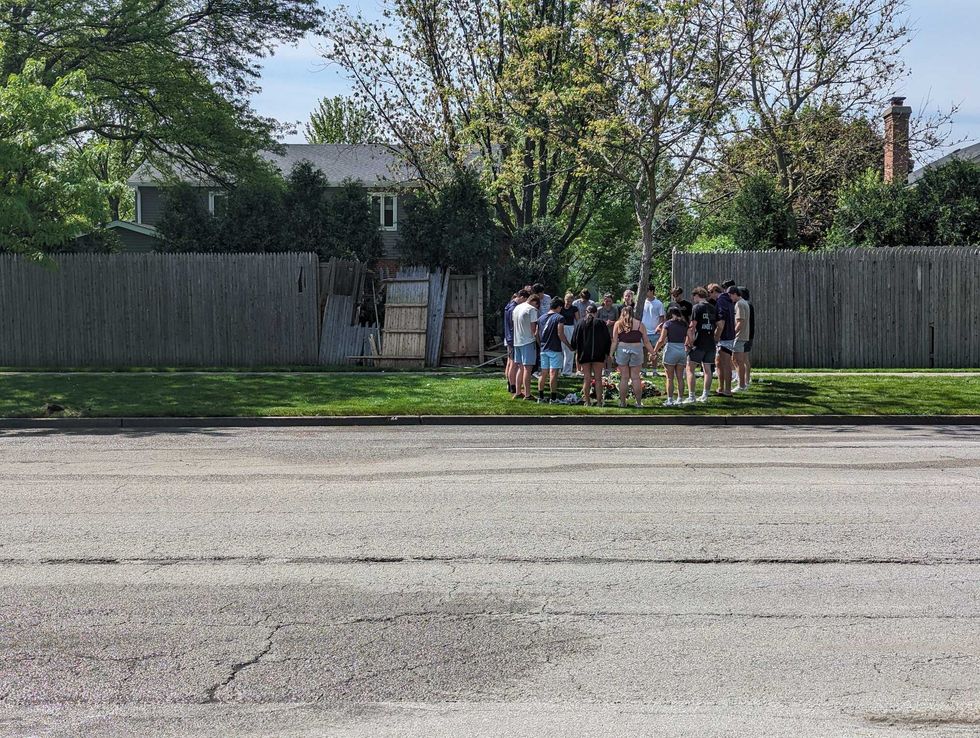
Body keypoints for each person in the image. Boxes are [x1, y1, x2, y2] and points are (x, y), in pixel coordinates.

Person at [610, 305, 655, 408]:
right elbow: (646, 342)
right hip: (637, 349)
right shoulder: (640, 324)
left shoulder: (618, 324)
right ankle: (638, 403)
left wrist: (611, 354)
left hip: (622, 349)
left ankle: (622, 403)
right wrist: (653, 353)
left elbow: (614, 341)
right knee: (635, 377)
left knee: (624, 377)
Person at [571, 304, 611, 407]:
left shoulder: (580, 323)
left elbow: (574, 340)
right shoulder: (601, 323)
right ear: (596, 313)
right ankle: (599, 402)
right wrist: (607, 353)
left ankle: (587, 401)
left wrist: (575, 348)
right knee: (598, 379)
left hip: (584, 354)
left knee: (586, 379)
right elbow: (607, 340)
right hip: (598, 354)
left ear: (586, 312)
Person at [684, 287, 717, 403]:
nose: (693, 299)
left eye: (694, 296)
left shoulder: (697, 307)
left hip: (699, 342)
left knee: (690, 368)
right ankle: (705, 395)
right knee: (708, 369)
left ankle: (691, 396)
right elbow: (717, 325)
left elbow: (692, 326)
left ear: (697, 295)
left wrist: (689, 342)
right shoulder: (713, 308)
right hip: (710, 342)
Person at [537, 297, 571, 403]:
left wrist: (540, 344)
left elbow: (536, 334)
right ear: (559, 307)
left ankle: (540, 397)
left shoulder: (541, 318)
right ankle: (553, 398)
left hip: (543, 348)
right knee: (553, 373)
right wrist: (569, 345)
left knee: (543, 373)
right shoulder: (559, 318)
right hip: (555, 348)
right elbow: (560, 333)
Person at [654, 307, 689, 406]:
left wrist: (654, 351)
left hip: (671, 349)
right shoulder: (684, 324)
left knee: (669, 378)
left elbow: (661, 340)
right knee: (680, 378)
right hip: (682, 350)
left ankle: (670, 400)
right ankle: (680, 399)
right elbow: (690, 338)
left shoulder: (668, 324)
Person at [511, 293, 539, 400]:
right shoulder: (532, 310)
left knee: (520, 367)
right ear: (535, 302)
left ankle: (518, 392)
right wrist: (538, 340)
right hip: (528, 341)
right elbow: (533, 329)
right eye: (537, 305)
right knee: (528, 368)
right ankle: (527, 394)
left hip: (517, 341)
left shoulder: (517, 308)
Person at [712, 284, 736, 397]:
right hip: (728, 335)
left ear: (713, 291)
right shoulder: (728, 300)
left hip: (724, 336)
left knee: (726, 364)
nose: (709, 295)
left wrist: (716, 337)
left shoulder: (721, 301)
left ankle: (728, 390)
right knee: (719, 363)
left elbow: (721, 323)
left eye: (709, 292)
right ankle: (721, 388)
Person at [503, 290, 526, 394]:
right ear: (521, 297)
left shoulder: (508, 306)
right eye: (524, 300)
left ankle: (510, 383)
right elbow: (514, 325)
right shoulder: (513, 308)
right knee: (514, 364)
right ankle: (513, 386)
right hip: (513, 338)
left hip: (508, 337)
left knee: (510, 362)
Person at [641, 285, 666, 377]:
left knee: (654, 351)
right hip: (644, 331)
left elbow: (662, 317)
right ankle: (643, 370)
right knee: (644, 351)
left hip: (654, 332)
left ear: (652, 291)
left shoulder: (658, 303)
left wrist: (659, 329)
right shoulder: (642, 302)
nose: (645, 292)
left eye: (647, 290)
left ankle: (654, 370)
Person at [732, 286, 751, 392]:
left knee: (737, 360)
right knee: (738, 360)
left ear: (735, 294)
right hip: (742, 335)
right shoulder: (744, 302)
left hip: (739, 336)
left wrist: (733, 333)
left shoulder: (739, 304)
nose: (730, 297)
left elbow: (740, 321)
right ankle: (742, 382)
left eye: (730, 295)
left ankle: (741, 385)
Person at [560, 292, 579, 376]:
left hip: (570, 328)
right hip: (561, 327)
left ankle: (567, 371)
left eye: (570, 301)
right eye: (567, 301)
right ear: (564, 299)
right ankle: (559, 370)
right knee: (560, 349)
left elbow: (578, 319)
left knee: (570, 350)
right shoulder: (560, 308)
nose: (568, 303)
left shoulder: (574, 308)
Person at [739, 286, 755, 388]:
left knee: (743, 359)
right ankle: (747, 379)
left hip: (746, 334)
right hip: (749, 333)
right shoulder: (749, 304)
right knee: (745, 358)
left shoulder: (744, 304)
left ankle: (746, 380)